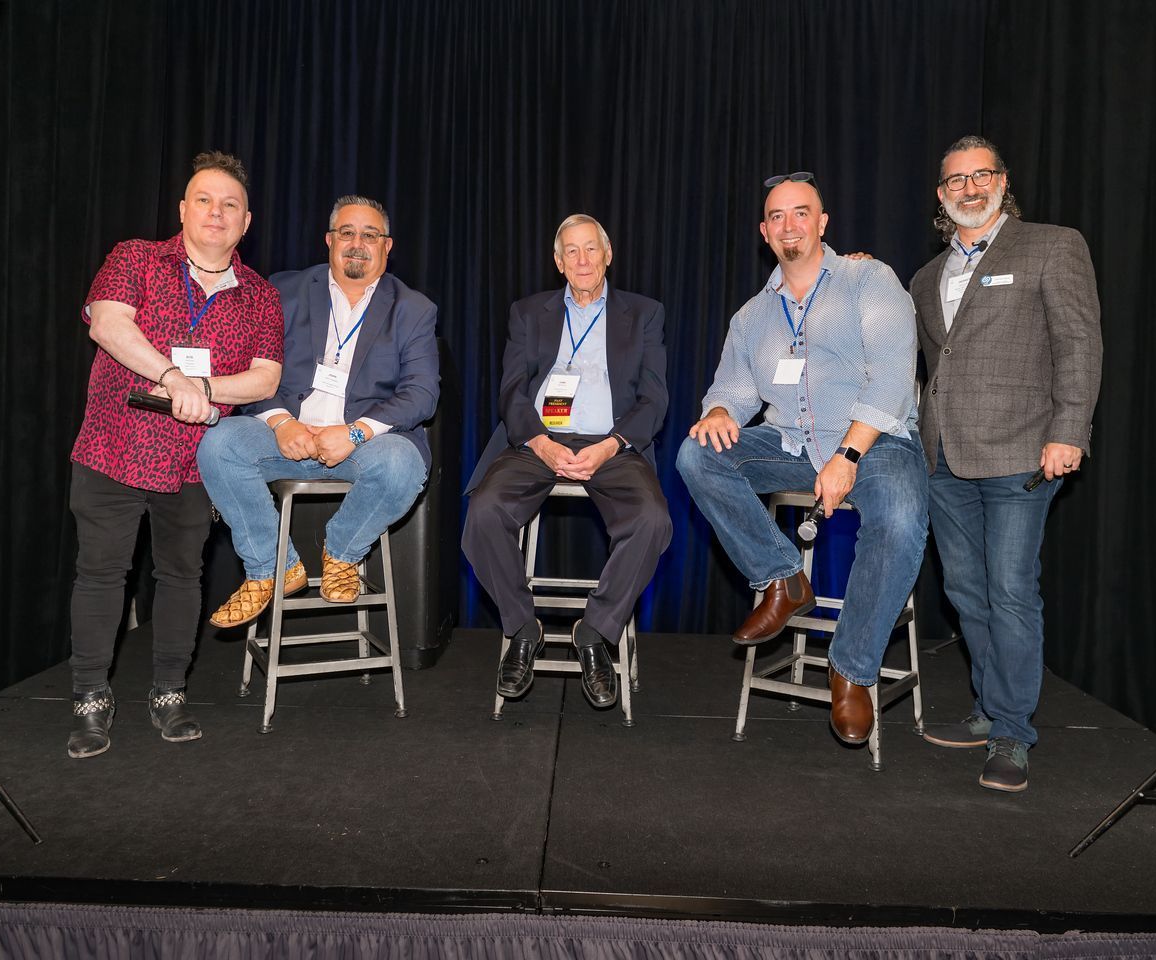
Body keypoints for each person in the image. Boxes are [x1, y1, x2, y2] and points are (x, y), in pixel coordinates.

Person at [677, 173, 928, 746]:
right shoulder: (751, 317)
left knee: (901, 518)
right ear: (765, 231)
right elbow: (734, 390)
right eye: (777, 217)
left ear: (822, 222)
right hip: (792, 442)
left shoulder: (870, 280)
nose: (790, 225)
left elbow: (892, 379)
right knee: (698, 455)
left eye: (801, 213)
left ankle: (852, 668)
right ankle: (783, 579)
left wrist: (847, 453)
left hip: (877, 438)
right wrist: (718, 409)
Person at [68, 151, 284, 759]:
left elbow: (265, 379)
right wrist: (172, 376)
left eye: (230, 205)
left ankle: (168, 692)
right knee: (101, 575)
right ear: (184, 209)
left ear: (246, 222)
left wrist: (205, 391)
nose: (217, 213)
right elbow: (108, 325)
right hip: (113, 445)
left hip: (196, 461)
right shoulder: (134, 257)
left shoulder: (261, 296)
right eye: (205, 200)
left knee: (182, 576)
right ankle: (89, 698)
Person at [910, 135, 1102, 792]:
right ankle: (990, 705)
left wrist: (1069, 430)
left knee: (1011, 591)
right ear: (942, 195)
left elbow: (1079, 344)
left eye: (980, 175)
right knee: (965, 592)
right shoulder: (924, 278)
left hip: (1023, 451)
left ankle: (1013, 732)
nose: (969, 187)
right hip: (943, 456)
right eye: (955, 179)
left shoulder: (1052, 246)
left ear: (1002, 181)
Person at [198, 196, 438, 629]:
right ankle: (271, 566)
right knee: (219, 443)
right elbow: (252, 370)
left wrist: (356, 432)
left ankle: (342, 552)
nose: (357, 243)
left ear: (388, 246)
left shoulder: (413, 308)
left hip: (366, 445)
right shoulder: (282, 291)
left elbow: (422, 394)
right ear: (329, 241)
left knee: (404, 463)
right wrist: (280, 421)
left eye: (370, 235)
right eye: (347, 233)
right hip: (285, 435)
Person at [463, 214, 671, 709]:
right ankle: (522, 628)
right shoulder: (528, 312)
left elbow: (654, 399)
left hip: (613, 443)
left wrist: (610, 445)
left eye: (590, 249)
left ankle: (595, 632)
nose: (582, 260)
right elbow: (512, 391)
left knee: (652, 521)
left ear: (608, 254)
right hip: (539, 441)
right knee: (483, 513)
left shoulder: (644, 313)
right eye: (571, 252)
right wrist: (539, 441)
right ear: (558, 263)